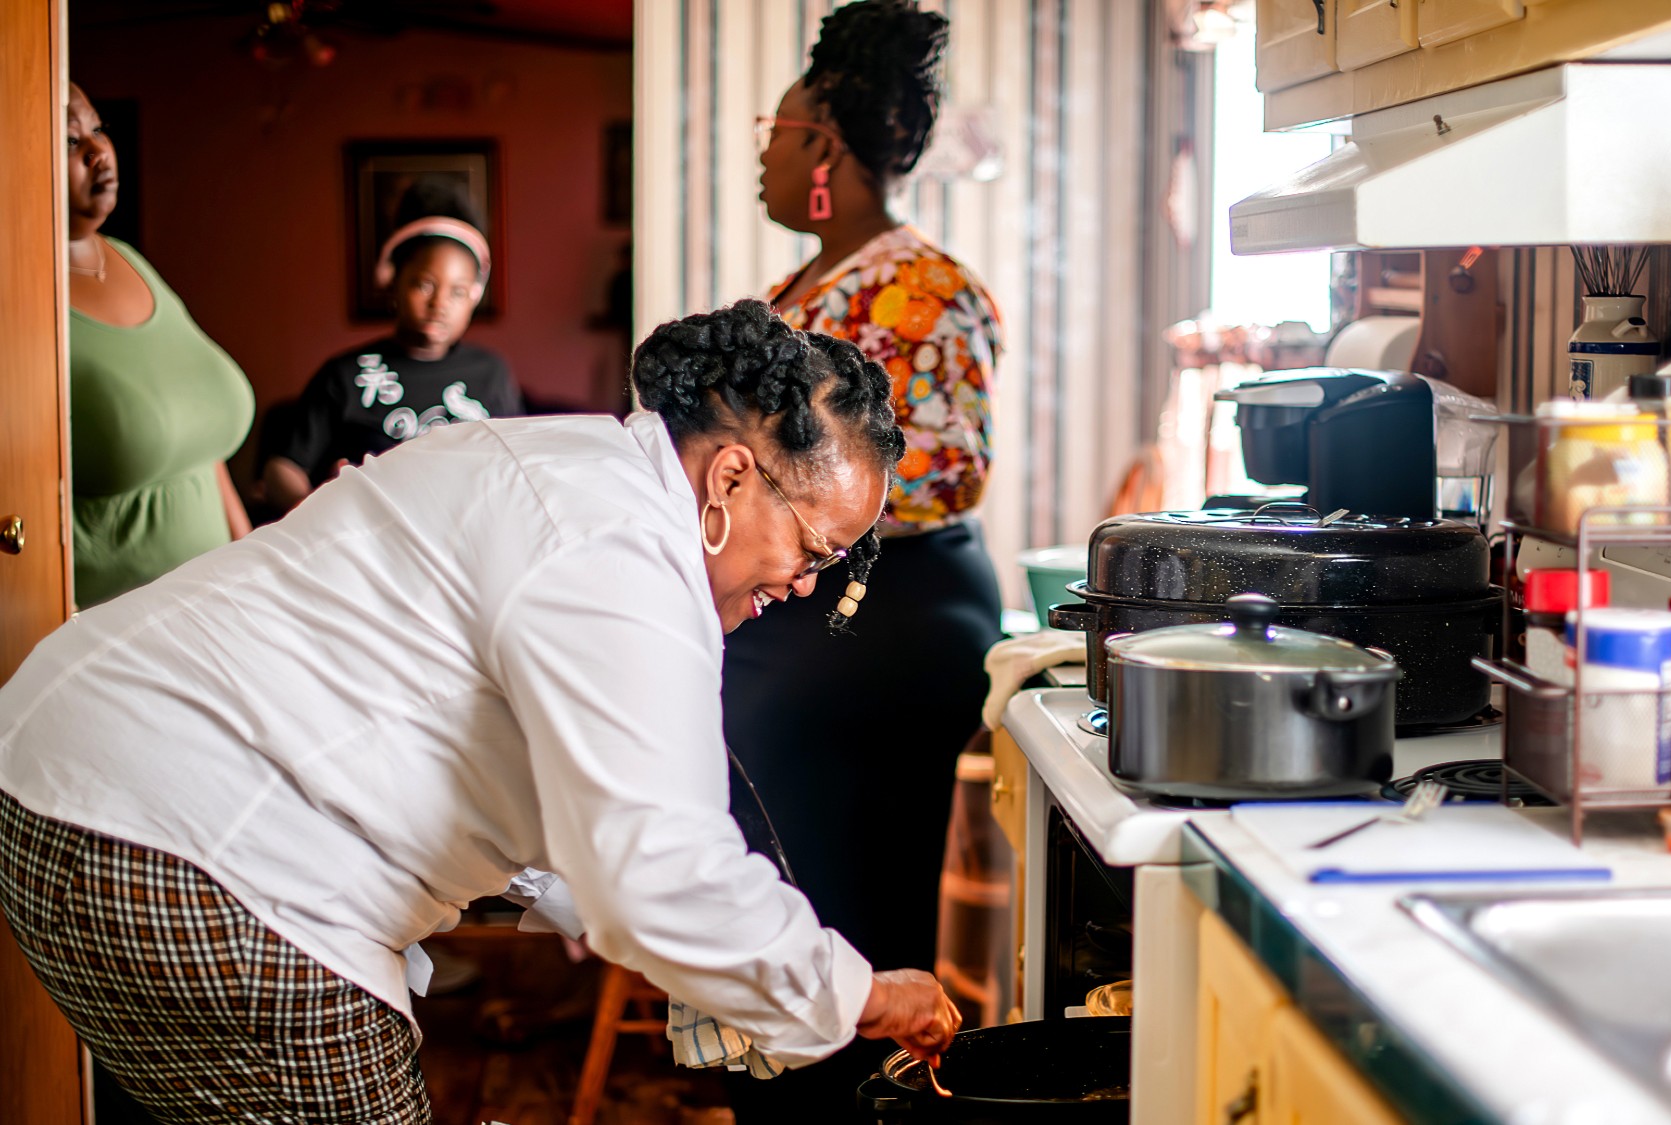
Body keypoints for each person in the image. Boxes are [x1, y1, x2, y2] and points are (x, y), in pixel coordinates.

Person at [0, 300, 959, 1124]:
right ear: (733, 477)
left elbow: (473, 727)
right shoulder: (618, 553)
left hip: (63, 776)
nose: (806, 582)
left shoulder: (562, 464)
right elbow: (660, 868)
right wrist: (862, 992)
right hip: (196, 846)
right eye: (817, 549)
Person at [722, 3, 1005, 1118]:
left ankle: (837, 1099)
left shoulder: (922, 291)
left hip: (872, 632)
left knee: (833, 898)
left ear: (824, 150)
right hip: (817, 619)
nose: (764, 150)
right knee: (784, 891)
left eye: (775, 128)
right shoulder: (816, 287)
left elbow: (947, 473)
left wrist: (777, 494)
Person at [65, 82, 253, 608]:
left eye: (97, 129)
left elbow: (205, 455)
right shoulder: (22, 300)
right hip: (109, 638)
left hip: (217, 611)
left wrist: (250, 565)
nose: (98, 151)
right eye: (68, 141)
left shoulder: (129, 260)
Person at [261, 185, 523, 512]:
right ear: (394, 282)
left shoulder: (491, 373)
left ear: (474, 297)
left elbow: (517, 468)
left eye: (457, 292)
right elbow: (282, 469)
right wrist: (315, 507)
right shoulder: (344, 374)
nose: (439, 303)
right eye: (424, 284)